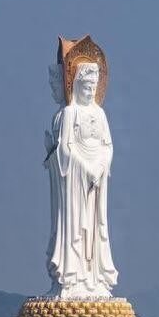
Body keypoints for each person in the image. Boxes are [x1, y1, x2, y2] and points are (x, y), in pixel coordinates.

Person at [47, 62, 118, 298]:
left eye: (93, 87)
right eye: (85, 87)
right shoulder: (69, 113)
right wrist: (84, 167)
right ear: (75, 86)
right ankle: (72, 276)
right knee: (75, 225)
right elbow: (64, 150)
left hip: (95, 181)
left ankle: (93, 277)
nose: (89, 92)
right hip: (75, 181)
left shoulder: (100, 114)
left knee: (95, 228)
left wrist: (99, 166)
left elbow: (108, 146)